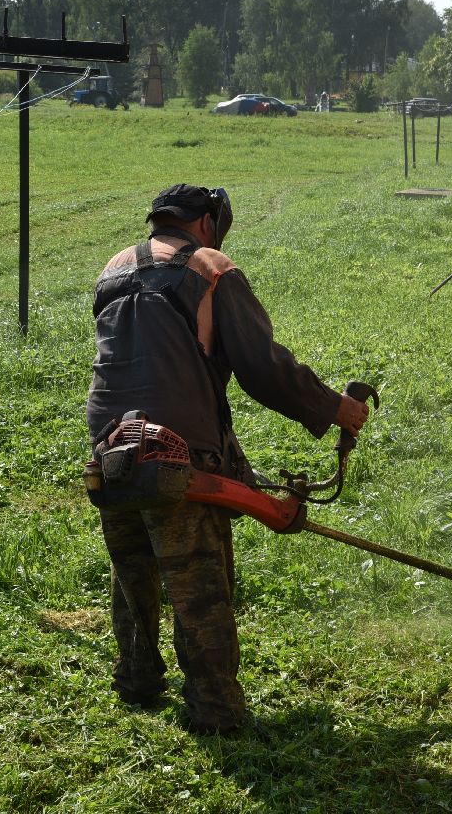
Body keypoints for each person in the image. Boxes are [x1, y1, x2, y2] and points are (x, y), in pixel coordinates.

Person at [86, 184, 370, 734]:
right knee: (198, 585)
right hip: (179, 447)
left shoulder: (114, 267)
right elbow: (262, 366)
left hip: (110, 441)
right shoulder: (209, 268)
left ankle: (138, 678)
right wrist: (334, 407)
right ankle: (215, 709)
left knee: (133, 566)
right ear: (206, 223)